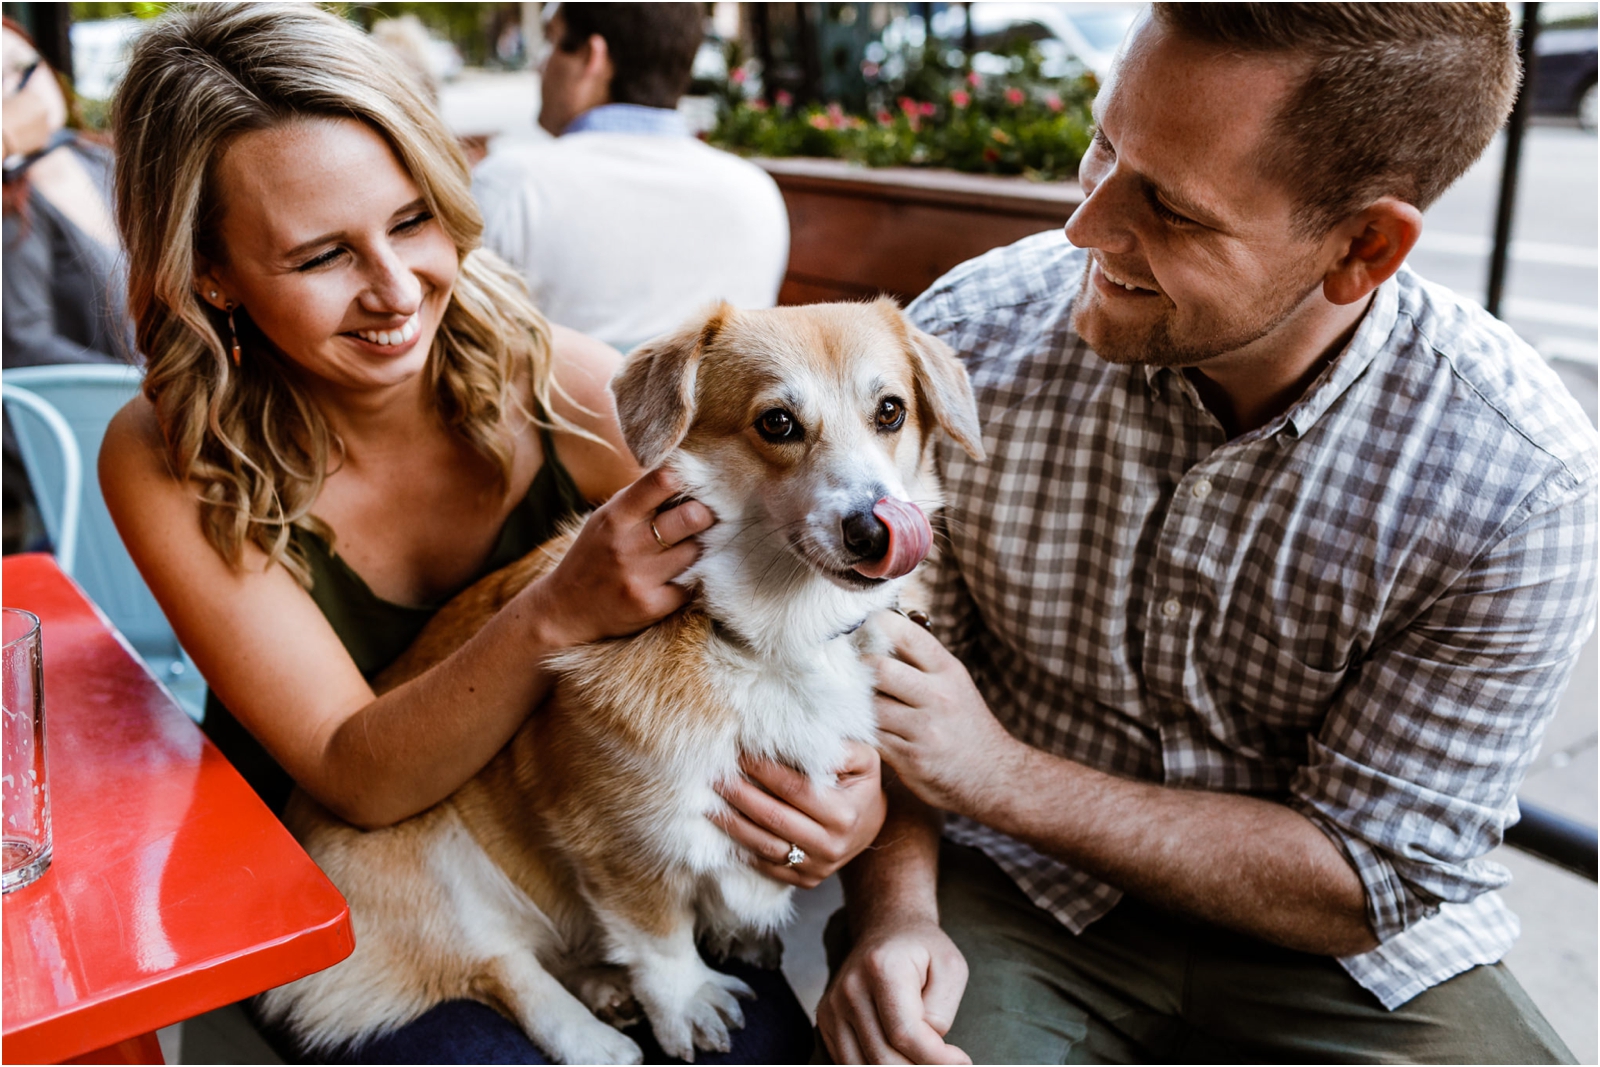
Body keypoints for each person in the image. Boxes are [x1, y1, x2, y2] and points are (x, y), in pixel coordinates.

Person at [99, 5, 881, 1063]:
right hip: (379, 886)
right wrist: (557, 606)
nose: (394, 289)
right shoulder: (168, 453)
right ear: (211, 274)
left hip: (610, 841)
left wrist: (856, 805)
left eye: (414, 219)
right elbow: (354, 772)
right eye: (324, 253)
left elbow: (818, 594)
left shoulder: (571, 386)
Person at [818, 4, 1597, 1064]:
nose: (1084, 227)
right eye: (1101, 146)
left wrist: (997, 771)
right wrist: (895, 911)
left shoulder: (1516, 482)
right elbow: (890, 698)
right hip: (1012, 892)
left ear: (1362, 246)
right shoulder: (966, 343)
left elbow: (1367, 876)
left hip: (1341, 959)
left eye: (1170, 210)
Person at [472, 2, 790, 353]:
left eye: (552, 42)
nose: (539, 65)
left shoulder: (511, 189)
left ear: (593, 57)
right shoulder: (756, 195)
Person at [2, 17, 137, 552]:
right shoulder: (14, 205)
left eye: (23, 64)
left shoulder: (99, 158)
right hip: (99, 445)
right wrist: (148, 384)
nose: (21, 84)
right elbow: (21, 343)